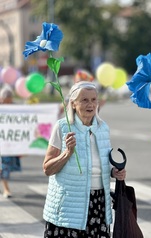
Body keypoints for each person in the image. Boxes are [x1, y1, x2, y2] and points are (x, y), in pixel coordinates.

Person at [43, 81, 126, 237]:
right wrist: (67, 153)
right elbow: (47, 168)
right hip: (69, 207)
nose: (91, 104)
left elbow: (103, 164)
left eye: (94, 100)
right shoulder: (62, 127)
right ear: (73, 104)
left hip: (98, 204)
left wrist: (114, 172)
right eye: (85, 100)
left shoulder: (103, 128)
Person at [0, 85, 22, 198]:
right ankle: (6, 189)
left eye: (9, 101)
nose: (7, 103)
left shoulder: (16, 109)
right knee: (4, 167)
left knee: (5, 167)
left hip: (8, 143)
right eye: (5, 101)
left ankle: (5, 188)